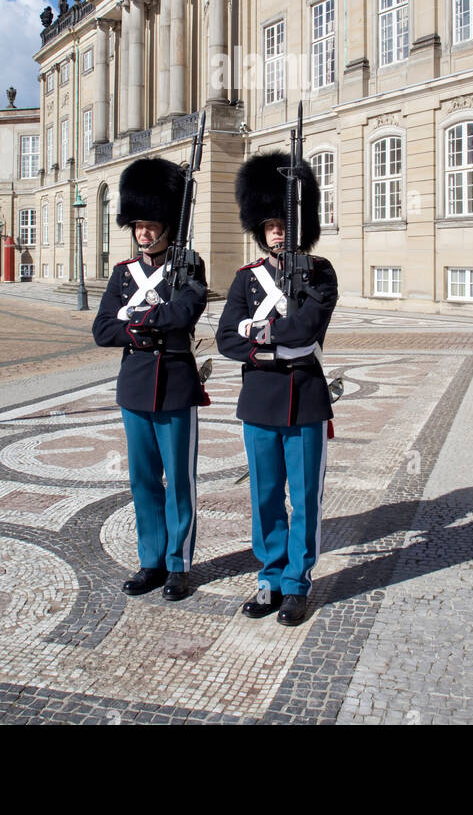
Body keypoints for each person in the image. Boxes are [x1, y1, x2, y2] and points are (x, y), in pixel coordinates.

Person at [216, 151, 339, 627]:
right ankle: (269, 577)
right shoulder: (246, 279)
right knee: (265, 496)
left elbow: (306, 329)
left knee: (305, 498)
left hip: (306, 400)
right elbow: (227, 337)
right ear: (260, 229)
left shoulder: (319, 272)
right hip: (260, 402)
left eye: (285, 223)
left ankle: (296, 583)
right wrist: (266, 341)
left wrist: (258, 332)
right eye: (270, 225)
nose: (278, 232)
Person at [91, 156, 208, 602]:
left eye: (151, 223)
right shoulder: (123, 274)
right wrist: (140, 325)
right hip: (135, 387)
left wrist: (138, 319)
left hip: (176, 384)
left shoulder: (188, 266)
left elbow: (184, 313)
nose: (143, 232)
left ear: (167, 225)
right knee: (142, 479)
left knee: (179, 481)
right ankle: (151, 560)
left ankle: (178, 564)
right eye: (137, 224)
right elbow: (103, 329)